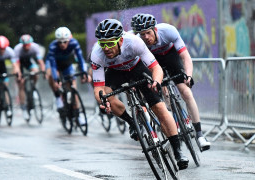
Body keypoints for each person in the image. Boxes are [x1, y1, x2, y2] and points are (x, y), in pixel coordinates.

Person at [90, 19, 188, 170]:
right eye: (103, 44)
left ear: (120, 40)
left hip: (137, 68)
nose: (106, 48)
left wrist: (156, 81)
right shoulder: (97, 54)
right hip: (115, 72)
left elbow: (156, 68)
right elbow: (98, 88)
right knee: (105, 97)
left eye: (110, 43)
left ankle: (177, 151)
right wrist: (103, 101)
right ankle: (132, 123)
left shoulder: (134, 42)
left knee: (160, 108)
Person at [133, 14, 211, 151]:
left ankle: (199, 135)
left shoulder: (168, 31)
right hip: (155, 62)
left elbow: (185, 56)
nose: (145, 37)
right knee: (163, 91)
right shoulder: (138, 43)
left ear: (155, 30)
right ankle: (174, 124)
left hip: (171, 57)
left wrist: (188, 75)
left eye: (148, 33)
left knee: (186, 92)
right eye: (142, 34)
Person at [45, 27, 88, 123]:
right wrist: (56, 80)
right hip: (54, 63)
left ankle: (77, 113)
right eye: (60, 42)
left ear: (69, 40)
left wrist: (83, 72)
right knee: (50, 75)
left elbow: (80, 58)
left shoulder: (74, 43)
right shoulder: (53, 46)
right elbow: (53, 65)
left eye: (65, 42)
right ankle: (57, 98)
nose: (62, 44)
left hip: (66, 63)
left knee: (73, 87)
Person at [0, 35, 21, 116]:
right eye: (0, 49)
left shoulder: (10, 51)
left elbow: (15, 65)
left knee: (5, 86)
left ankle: (7, 106)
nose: (2, 51)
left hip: (2, 66)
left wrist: (17, 73)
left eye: (3, 49)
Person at [14, 34, 46, 120]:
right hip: (20, 63)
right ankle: (23, 107)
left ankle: (33, 87)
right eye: (24, 45)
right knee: (21, 83)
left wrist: (43, 70)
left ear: (31, 43)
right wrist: (19, 74)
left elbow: (40, 61)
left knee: (35, 72)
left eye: (28, 44)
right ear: (22, 44)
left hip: (28, 61)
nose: (26, 46)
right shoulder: (17, 49)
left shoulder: (35, 47)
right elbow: (16, 65)